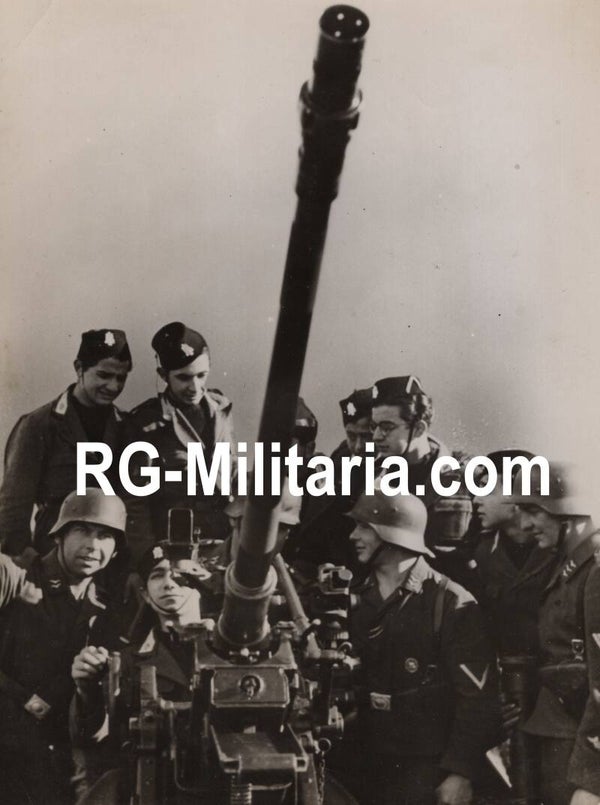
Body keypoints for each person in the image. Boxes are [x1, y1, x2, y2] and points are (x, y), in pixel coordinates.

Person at [345, 485, 500, 805]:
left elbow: (477, 699)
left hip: (425, 767)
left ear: (393, 535)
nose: (353, 536)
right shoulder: (355, 599)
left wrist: (460, 772)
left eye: (364, 527)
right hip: (365, 759)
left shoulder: (451, 602)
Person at [0, 487, 126, 805]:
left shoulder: (107, 606)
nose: (92, 545)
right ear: (59, 536)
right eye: (82, 530)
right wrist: (23, 698)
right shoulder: (16, 578)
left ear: (114, 550)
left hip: (60, 758)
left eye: (104, 536)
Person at [0, 329, 132, 559]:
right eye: (103, 375)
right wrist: (29, 561)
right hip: (53, 553)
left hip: (109, 556)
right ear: (79, 368)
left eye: (121, 378)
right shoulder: (39, 425)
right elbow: (14, 507)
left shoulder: (127, 426)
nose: (113, 386)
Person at [473, 450, 559, 802]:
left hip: (555, 696)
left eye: (487, 489)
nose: (477, 499)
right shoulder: (479, 553)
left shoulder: (558, 549)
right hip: (509, 692)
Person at [515, 461, 600, 805]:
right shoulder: (569, 567)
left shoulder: (595, 572)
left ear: (568, 510)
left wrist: (592, 779)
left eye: (533, 511)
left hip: (579, 754)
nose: (525, 524)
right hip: (558, 739)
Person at [130, 321, 236, 548]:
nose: (195, 388)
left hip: (223, 540)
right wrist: (148, 558)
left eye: (201, 375)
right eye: (184, 378)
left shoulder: (220, 408)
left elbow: (232, 471)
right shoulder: (146, 424)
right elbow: (135, 503)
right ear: (163, 374)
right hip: (173, 546)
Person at [370, 375, 477, 591]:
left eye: (387, 427)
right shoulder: (371, 477)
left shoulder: (465, 475)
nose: (376, 436)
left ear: (418, 428)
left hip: (448, 603)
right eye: (374, 426)